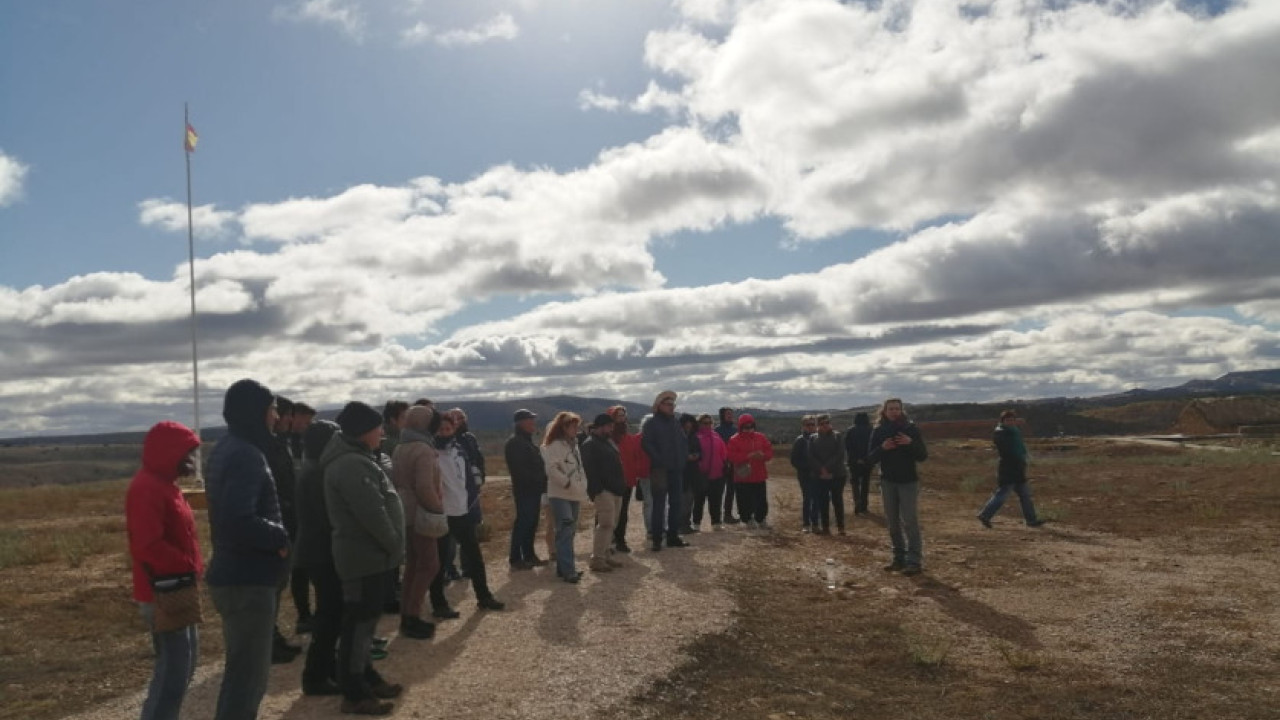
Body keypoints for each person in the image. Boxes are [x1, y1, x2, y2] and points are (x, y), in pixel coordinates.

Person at [204, 379, 290, 720]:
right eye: (272, 409)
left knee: (242, 673)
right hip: (247, 578)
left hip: (236, 574)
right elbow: (238, 519)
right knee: (248, 679)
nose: (276, 416)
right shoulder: (246, 454)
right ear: (256, 413)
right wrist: (280, 537)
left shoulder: (227, 447)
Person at [324, 401, 406, 715]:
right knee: (358, 626)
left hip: (372, 557)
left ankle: (366, 676)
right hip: (362, 558)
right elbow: (372, 514)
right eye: (377, 428)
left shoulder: (358, 458)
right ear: (363, 432)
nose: (382, 432)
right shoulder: (350, 465)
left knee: (367, 624)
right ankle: (354, 691)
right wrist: (394, 544)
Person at [126, 421, 202, 720]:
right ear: (169, 452)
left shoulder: (165, 485)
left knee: (183, 666)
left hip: (176, 585)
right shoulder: (147, 488)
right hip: (161, 590)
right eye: (188, 453)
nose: (192, 461)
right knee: (172, 672)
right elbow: (148, 544)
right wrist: (187, 564)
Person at [431, 413, 505, 612]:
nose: (444, 433)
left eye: (448, 429)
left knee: (475, 557)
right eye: (440, 430)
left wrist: (473, 499)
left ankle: (484, 596)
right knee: (439, 561)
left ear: (453, 430)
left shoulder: (459, 450)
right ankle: (438, 604)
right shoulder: (430, 453)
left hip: (463, 510)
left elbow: (467, 479)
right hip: (442, 513)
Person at [294, 420, 344, 697]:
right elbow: (327, 517)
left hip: (316, 550)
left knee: (331, 613)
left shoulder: (312, 468)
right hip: (321, 552)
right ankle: (314, 676)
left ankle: (328, 667)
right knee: (328, 615)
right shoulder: (317, 474)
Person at [392, 405, 443, 639]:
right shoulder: (423, 449)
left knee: (413, 564)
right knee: (429, 564)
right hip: (421, 512)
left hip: (404, 510)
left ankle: (407, 615)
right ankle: (412, 616)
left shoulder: (401, 446)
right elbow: (424, 487)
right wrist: (438, 509)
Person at [866, 398, 928, 576]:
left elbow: (922, 455)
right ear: (884, 412)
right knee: (892, 523)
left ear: (902, 411)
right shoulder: (878, 431)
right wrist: (882, 448)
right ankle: (898, 558)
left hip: (908, 481)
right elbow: (870, 458)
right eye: (890, 409)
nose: (894, 412)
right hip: (888, 481)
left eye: (897, 409)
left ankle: (914, 561)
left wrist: (910, 443)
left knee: (910, 521)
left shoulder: (910, 429)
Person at [267, 396, 303, 660]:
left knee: (279, 584)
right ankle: (268, 640)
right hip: (276, 525)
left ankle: (272, 635)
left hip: (286, 523)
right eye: (285, 414)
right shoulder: (267, 446)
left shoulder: (281, 443)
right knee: (271, 585)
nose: (288, 420)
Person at [542, 411, 589, 582]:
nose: (576, 429)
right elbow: (551, 469)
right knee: (565, 529)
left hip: (574, 493)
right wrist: (567, 483)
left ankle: (564, 568)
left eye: (577, 426)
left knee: (570, 531)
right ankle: (568, 570)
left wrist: (581, 485)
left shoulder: (573, 445)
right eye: (573, 426)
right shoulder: (554, 445)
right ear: (563, 427)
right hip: (560, 493)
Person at [977, 410, 1045, 529]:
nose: (1011, 422)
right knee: (1003, 494)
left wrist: (1023, 459)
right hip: (1008, 468)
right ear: (1002, 421)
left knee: (1025, 495)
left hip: (1018, 468)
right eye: (1008, 420)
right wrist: (1018, 459)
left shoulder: (1014, 432)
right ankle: (985, 515)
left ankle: (1031, 520)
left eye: (1012, 420)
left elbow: (1019, 448)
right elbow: (1007, 451)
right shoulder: (1001, 433)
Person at [641, 391, 689, 550]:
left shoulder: (675, 423)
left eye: (673, 405)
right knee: (659, 504)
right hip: (660, 469)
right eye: (668, 404)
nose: (671, 407)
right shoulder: (651, 423)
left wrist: (682, 459)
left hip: (676, 468)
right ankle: (656, 538)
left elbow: (683, 442)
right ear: (659, 405)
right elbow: (647, 444)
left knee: (676, 503)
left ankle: (673, 536)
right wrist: (659, 460)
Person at [582, 413, 627, 573]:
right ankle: (597, 559)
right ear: (599, 426)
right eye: (609, 426)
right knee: (605, 524)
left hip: (615, 489)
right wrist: (598, 490)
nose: (611, 429)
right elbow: (589, 470)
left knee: (612, 524)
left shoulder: (608, 442)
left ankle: (606, 554)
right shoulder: (590, 444)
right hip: (604, 491)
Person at [505, 409, 548, 570]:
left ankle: (529, 555)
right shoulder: (515, 443)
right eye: (530, 420)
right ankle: (515, 559)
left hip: (534, 491)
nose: (533, 423)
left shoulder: (527, 442)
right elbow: (520, 470)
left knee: (532, 523)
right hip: (525, 491)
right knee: (523, 523)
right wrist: (538, 480)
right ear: (521, 423)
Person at [726, 413, 773, 529]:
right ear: (740, 427)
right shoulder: (734, 439)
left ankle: (761, 519)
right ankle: (747, 519)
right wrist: (748, 456)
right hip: (743, 476)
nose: (749, 429)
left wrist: (763, 455)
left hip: (759, 475)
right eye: (746, 427)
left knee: (761, 500)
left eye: (751, 426)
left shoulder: (760, 437)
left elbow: (769, 452)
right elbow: (731, 456)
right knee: (744, 500)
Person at [610, 405, 646, 553]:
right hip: (610, 481)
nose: (622, 418)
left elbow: (635, 457)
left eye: (623, 415)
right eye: (618, 415)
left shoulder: (628, 438)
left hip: (627, 479)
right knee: (607, 512)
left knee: (623, 511)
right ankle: (606, 541)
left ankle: (620, 539)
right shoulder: (607, 438)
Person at [808, 414, 847, 534]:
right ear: (817, 425)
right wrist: (821, 469)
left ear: (830, 423)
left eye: (827, 422)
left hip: (837, 474)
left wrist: (827, 468)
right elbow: (811, 456)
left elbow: (840, 454)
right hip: (819, 476)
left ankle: (841, 527)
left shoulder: (837, 436)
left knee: (837, 500)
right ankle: (825, 527)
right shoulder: (812, 438)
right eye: (821, 423)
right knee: (823, 501)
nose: (825, 425)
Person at [694, 414, 728, 530]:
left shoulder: (716, 436)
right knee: (699, 500)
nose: (708, 425)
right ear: (699, 424)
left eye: (710, 423)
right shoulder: (696, 437)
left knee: (716, 499)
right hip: (701, 474)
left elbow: (723, 452)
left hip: (717, 474)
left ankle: (716, 522)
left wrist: (723, 465)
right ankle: (696, 523)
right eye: (705, 423)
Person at [790, 416, 818, 532]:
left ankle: (815, 523)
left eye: (812, 424)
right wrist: (806, 468)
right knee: (807, 498)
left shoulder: (819, 439)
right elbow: (794, 460)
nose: (811, 427)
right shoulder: (800, 440)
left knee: (817, 498)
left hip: (817, 474)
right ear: (803, 427)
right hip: (805, 475)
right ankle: (806, 524)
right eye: (808, 425)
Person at [678, 413, 704, 534]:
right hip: (680, 472)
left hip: (692, 471)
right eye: (686, 423)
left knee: (689, 499)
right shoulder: (676, 436)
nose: (689, 425)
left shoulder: (694, 437)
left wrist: (696, 456)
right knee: (682, 500)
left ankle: (686, 524)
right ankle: (679, 525)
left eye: (691, 423)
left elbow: (699, 451)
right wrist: (686, 457)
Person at [844, 412, 873, 515]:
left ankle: (857, 502)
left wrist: (856, 458)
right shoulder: (871, 430)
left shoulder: (850, 430)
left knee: (855, 483)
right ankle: (864, 506)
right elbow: (872, 447)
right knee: (865, 483)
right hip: (867, 461)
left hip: (853, 461)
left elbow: (848, 447)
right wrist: (865, 458)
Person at [715, 407, 740, 524]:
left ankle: (727, 515)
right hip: (721, 464)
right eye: (728, 414)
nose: (730, 416)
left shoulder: (736, 430)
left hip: (734, 464)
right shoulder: (717, 431)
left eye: (731, 414)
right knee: (718, 491)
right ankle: (716, 516)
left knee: (731, 490)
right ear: (722, 416)